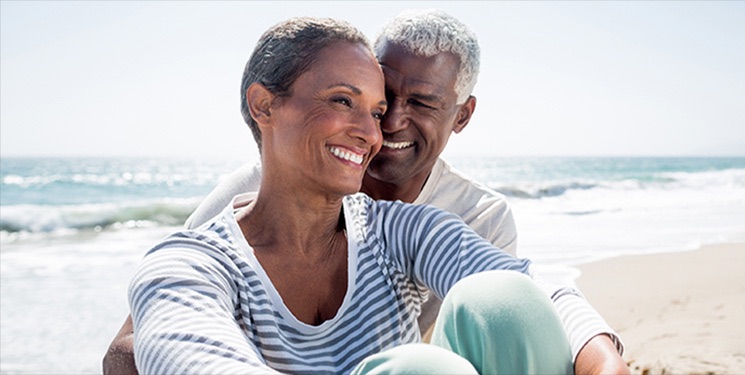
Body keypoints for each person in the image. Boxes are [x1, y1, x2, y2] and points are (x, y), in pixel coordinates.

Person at [117, 16, 628, 374]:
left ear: (461, 114)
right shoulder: (194, 255)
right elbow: (164, 344)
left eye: (376, 110)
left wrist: (602, 357)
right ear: (264, 106)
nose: (375, 131)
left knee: (497, 305)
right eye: (345, 101)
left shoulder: (408, 227)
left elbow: (531, 289)